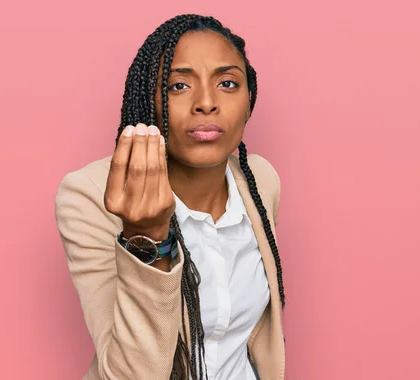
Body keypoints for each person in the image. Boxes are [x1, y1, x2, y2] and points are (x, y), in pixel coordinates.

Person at [54, 14, 286, 380]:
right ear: (149, 103)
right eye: (178, 86)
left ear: (249, 103)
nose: (206, 103)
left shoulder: (260, 181)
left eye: (227, 83)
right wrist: (146, 238)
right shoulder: (89, 196)